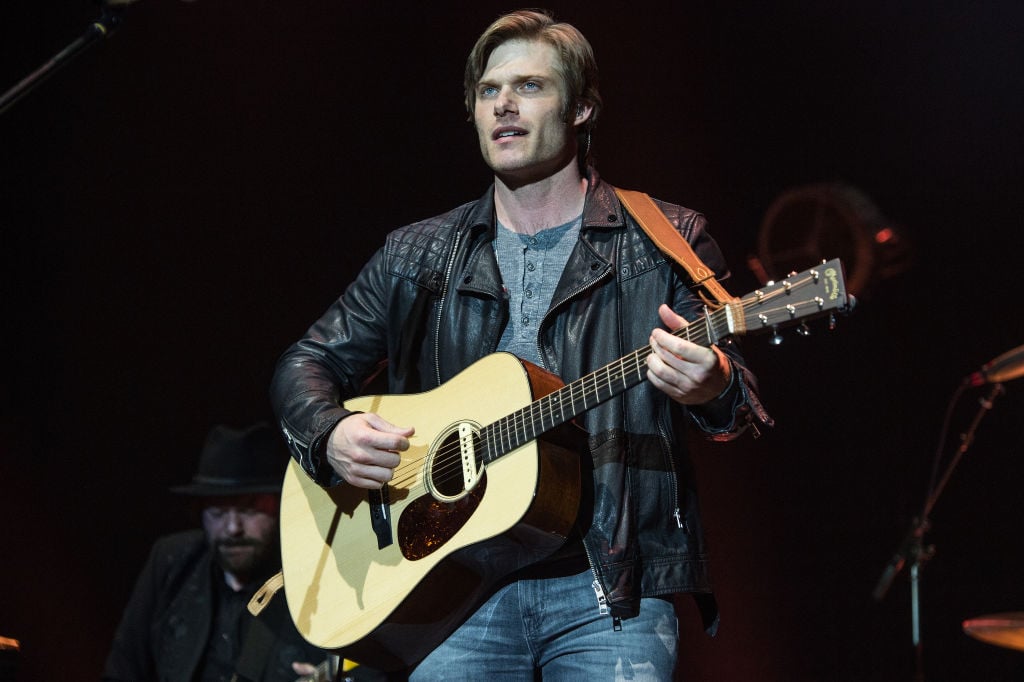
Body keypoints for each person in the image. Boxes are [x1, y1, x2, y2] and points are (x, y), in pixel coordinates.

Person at [269, 9, 772, 681]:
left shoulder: (664, 239)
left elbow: (740, 407)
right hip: (454, 588)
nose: (503, 103)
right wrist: (330, 434)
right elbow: (305, 363)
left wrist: (713, 387)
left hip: (608, 588)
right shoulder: (418, 253)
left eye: (530, 86)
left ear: (583, 108)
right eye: (487, 90)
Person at [102, 423, 379, 682]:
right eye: (218, 511)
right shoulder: (173, 561)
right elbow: (123, 670)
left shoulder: (319, 572)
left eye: (249, 509)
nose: (233, 528)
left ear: (280, 506)